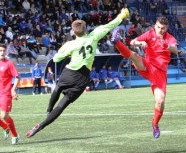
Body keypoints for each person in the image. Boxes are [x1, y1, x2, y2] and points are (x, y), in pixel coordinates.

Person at [26, 8, 130, 138]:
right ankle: (41, 125)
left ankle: (48, 110)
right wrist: (121, 16)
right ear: (85, 29)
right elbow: (110, 25)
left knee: (58, 87)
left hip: (69, 72)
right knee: (63, 104)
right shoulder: (94, 36)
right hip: (82, 77)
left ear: (73, 32)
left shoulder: (70, 44)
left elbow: (56, 59)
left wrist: (66, 51)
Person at [110, 16, 178, 139]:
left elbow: (175, 49)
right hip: (147, 65)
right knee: (135, 56)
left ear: (166, 28)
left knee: (160, 101)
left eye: (162, 28)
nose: (159, 30)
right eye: (158, 27)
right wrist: (139, 42)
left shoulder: (169, 38)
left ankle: (155, 124)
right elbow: (132, 42)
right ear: (155, 25)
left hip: (160, 73)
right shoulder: (150, 34)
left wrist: (167, 46)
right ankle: (116, 41)